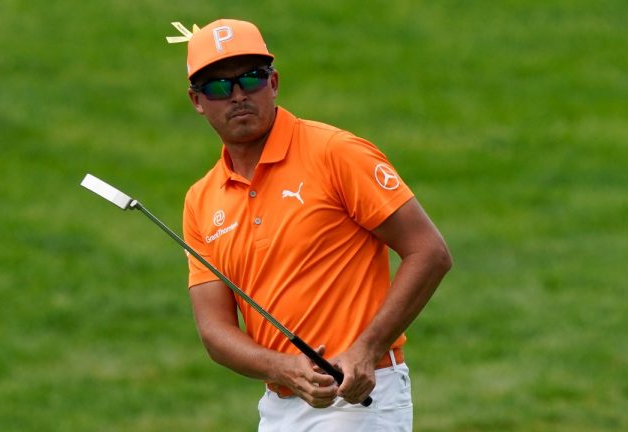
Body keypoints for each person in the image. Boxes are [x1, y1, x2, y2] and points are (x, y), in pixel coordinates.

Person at [168, 18, 452, 431]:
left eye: (251, 79)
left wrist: (366, 349)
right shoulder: (201, 199)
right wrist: (281, 367)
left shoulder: (335, 153)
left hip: (358, 397)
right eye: (218, 87)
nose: (238, 95)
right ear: (197, 101)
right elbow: (215, 330)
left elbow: (429, 251)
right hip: (279, 406)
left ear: (274, 82)